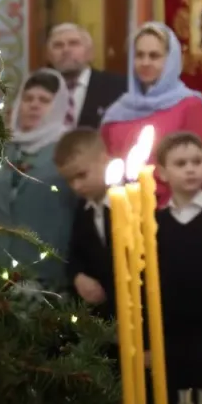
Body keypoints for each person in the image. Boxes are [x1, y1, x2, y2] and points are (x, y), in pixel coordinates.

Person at [149, 131, 202, 404]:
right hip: (170, 337)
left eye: (197, 161)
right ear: (162, 173)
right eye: (180, 164)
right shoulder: (153, 224)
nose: (191, 169)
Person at [0, 70, 77, 290]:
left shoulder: (69, 150)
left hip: (44, 275)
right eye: (28, 98)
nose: (34, 105)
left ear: (58, 107)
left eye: (44, 100)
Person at [100, 23, 202, 206]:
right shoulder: (117, 111)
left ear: (171, 60)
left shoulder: (190, 104)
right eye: (139, 55)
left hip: (172, 209)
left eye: (154, 56)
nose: (145, 62)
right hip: (121, 208)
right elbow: (105, 164)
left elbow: (194, 163)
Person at [57, 129, 114, 320]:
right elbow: (75, 253)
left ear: (104, 159)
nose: (76, 186)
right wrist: (77, 276)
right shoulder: (83, 207)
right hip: (100, 319)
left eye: (82, 175)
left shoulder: (133, 203)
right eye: (69, 180)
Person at [45, 23, 127, 130]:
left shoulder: (118, 87)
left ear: (90, 53)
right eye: (58, 45)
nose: (65, 50)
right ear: (49, 56)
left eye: (73, 43)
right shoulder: (40, 88)